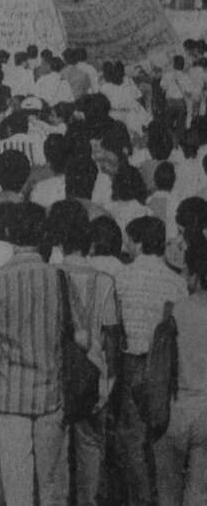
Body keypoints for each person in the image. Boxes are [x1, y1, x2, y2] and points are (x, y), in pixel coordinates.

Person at [0, 202, 69, 506]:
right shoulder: (58, 279)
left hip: (7, 394)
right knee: (51, 484)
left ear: (8, 233)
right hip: (50, 393)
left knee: (17, 487)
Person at [113, 216, 188, 505]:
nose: (127, 246)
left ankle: (141, 499)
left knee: (132, 437)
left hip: (132, 360)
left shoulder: (123, 276)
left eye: (130, 240)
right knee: (159, 436)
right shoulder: (176, 281)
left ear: (140, 243)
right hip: (163, 365)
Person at [53, 201, 121, 506]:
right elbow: (111, 336)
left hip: (58, 377)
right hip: (95, 377)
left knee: (57, 456)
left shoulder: (50, 276)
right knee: (91, 450)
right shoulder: (105, 282)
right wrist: (109, 380)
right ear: (90, 243)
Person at [154, 242, 207, 505]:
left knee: (167, 491)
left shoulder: (174, 310)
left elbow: (160, 362)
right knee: (199, 492)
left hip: (175, 409)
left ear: (196, 277)